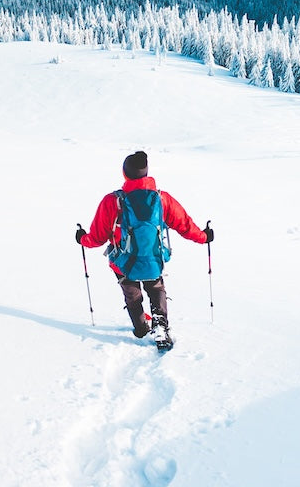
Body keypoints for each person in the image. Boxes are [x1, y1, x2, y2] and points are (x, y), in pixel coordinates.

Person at [75, 150, 213, 352]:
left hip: (123, 262)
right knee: (156, 289)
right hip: (153, 258)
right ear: (146, 174)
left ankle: (140, 328)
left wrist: (82, 239)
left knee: (132, 293)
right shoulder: (162, 199)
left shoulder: (112, 201)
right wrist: (204, 236)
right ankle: (160, 326)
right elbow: (184, 225)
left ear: (125, 174)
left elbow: (97, 237)